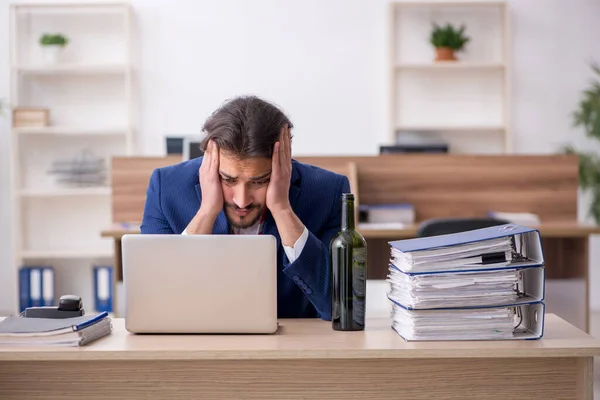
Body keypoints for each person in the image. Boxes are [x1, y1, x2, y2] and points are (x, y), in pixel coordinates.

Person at [140, 95, 351, 320]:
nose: (242, 200)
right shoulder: (166, 188)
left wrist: (282, 209)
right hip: (196, 346)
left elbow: (338, 307)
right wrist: (206, 212)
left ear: (284, 162)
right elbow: (153, 304)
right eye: (228, 180)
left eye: (259, 181)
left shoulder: (329, 192)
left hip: (290, 350)